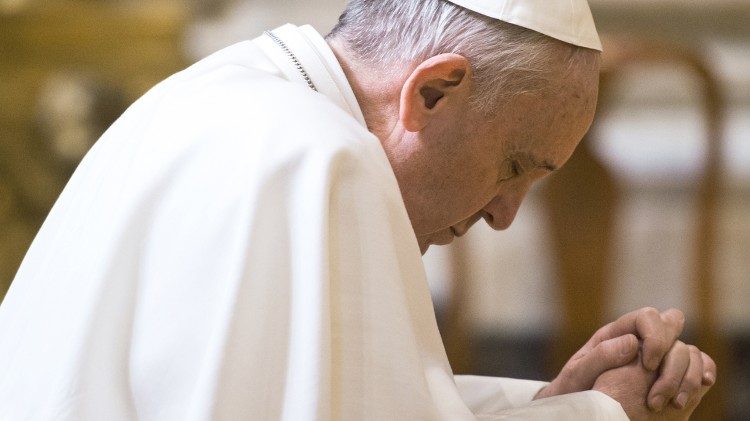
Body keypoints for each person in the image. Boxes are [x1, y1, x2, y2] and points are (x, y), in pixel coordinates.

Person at [0, 0, 716, 419]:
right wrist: (598, 417)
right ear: (432, 92)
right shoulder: (316, 160)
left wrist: (556, 401)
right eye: (514, 166)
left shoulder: (225, 97)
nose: (504, 213)